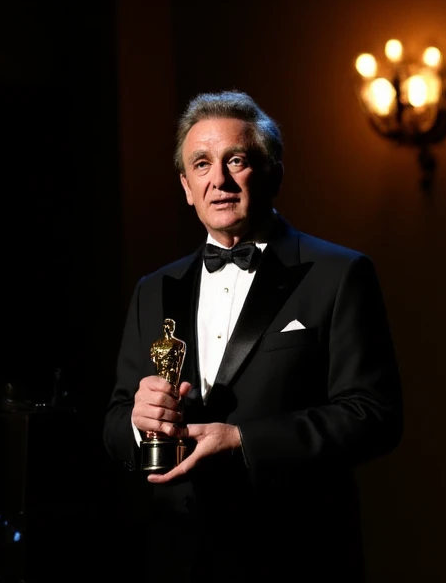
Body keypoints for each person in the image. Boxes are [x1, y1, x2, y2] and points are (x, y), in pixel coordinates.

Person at [102, 89, 403, 582]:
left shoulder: (338, 273)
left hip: (296, 554)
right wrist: (139, 422)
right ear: (185, 185)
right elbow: (115, 423)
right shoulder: (152, 290)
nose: (218, 179)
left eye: (236, 160)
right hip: (179, 558)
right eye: (201, 164)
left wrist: (244, 441)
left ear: (274, 173)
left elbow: (374, 416)